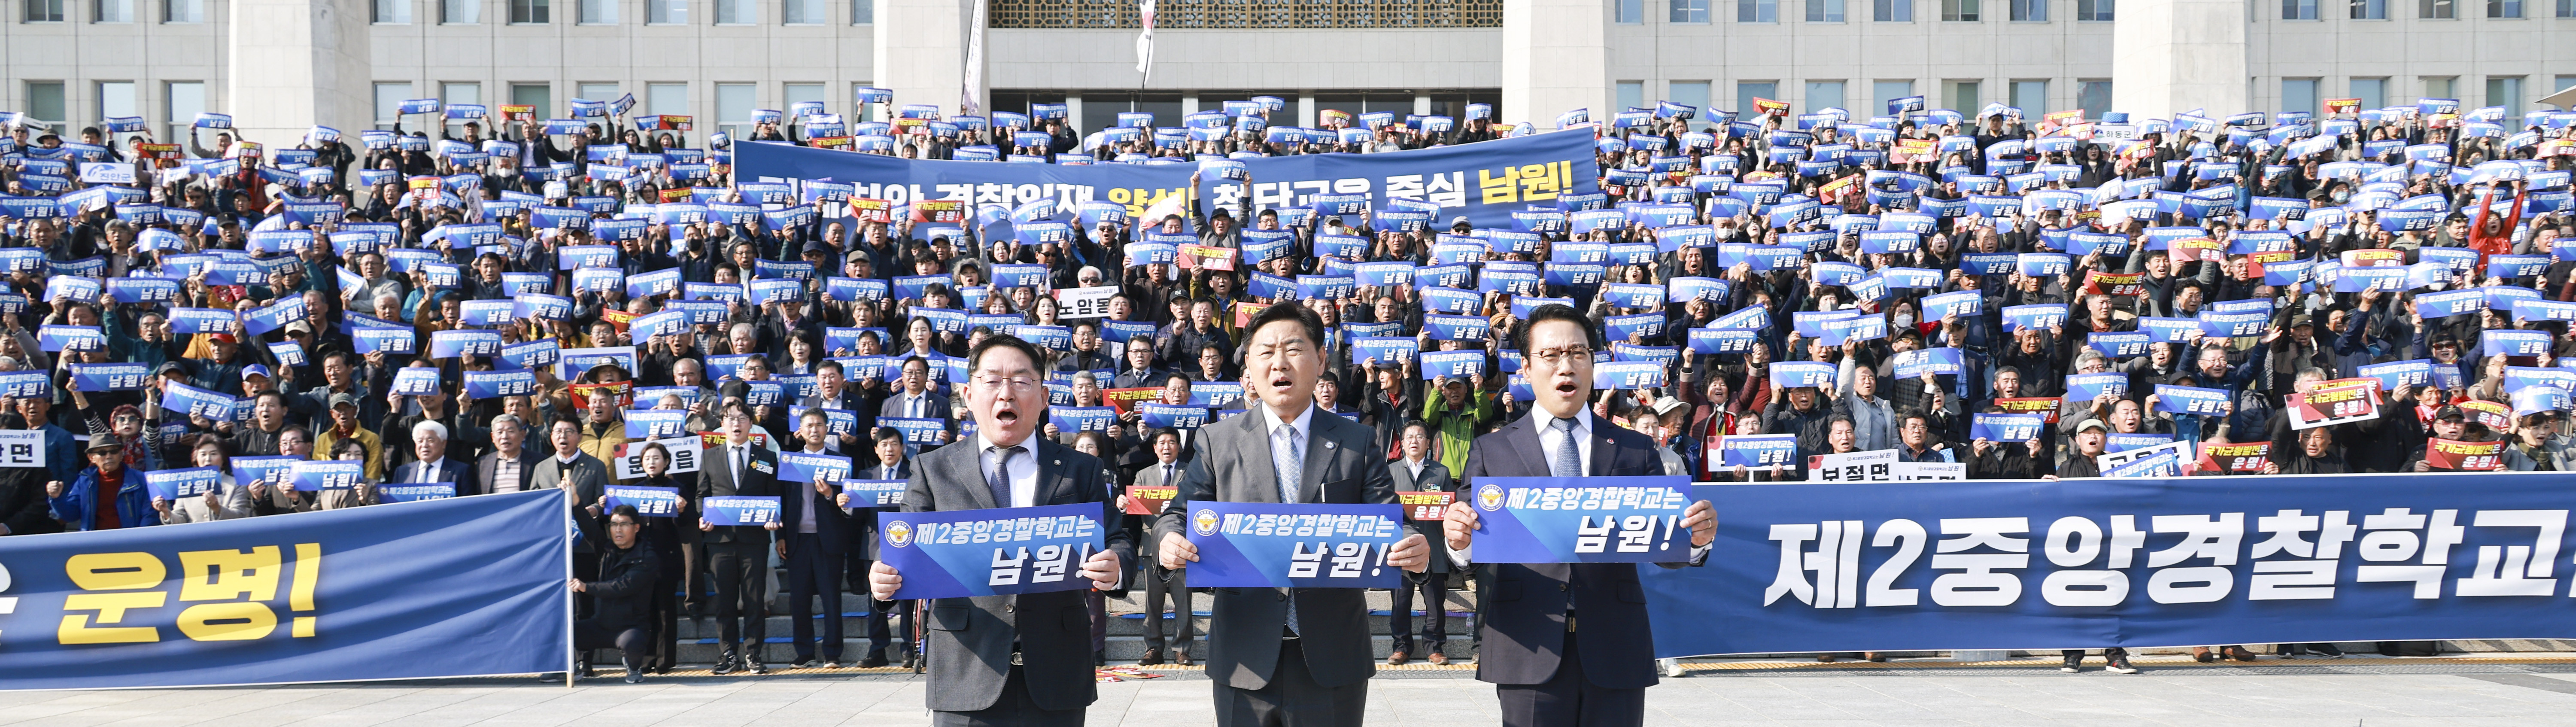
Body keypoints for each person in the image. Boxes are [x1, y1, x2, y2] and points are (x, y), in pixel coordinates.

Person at [1438, 304, 1718, 727]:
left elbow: (1666, 548)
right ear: (1527, 369)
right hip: (1527, 644)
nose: (1565, 365)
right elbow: (1473, 548)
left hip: (1616, 643)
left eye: (1578, 353)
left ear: (1593, 363)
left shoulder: (1635, 449)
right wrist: (1457, 541)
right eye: (1550, 355)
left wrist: (1696, 540)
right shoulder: (1491, 451)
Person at [1154, 304, 1430, 727]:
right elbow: (1176, 514)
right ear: (1248, 365)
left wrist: (1412, 546)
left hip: (1333, 655)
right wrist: (1168, 540)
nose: (1279, 362)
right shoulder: (1217, 441)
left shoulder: (1357, 441)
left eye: (1293, 349)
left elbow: (1388, 516)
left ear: (1321, 360)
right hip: (1243, 656)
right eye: (1265, 352)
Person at [866, 335, 1133, 726]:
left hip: (1057, 670)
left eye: (1022, 381)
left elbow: (1117, 539)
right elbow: (904, 549)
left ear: (1044, 397)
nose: (1006, 393)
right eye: (992, 381)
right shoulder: (932, 469)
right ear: (968, 394)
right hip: (965, 668)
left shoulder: (1080, 469)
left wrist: (1118, 566)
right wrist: (883, 577)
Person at [699, 402, 782, 675]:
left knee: (754, 599)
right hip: (720, 540)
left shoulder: (767, 457)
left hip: (754, 539)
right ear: (722, 424)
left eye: (742, 419)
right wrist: (703, 516)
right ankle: (728, 654)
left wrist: (774, 519)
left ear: (751, 424)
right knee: (724, 600)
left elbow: (774, 496)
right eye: (730, 419)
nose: (736, 424)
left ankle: (754, 653)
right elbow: (702, 494)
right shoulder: (710, 457)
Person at [782, 408, 852, 668]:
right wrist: (781, 537)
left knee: (831, 597)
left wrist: (829, 494)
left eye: (820, 425)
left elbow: (849, 504)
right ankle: (804, 652)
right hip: (797, 539)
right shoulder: (790, 462)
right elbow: (783, 502)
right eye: (809, 425)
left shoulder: (840, 461)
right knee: (799, 599)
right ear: (800, 431)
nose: (815, 429)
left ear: (827, 428)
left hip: (828, 539)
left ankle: (833, 652)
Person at [1387, 420, 1455, 666]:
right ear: (1402, 444)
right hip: (1401, 550)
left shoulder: (1441, 472)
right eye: (1409, 437)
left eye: (1419, 437)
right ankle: (1401, 647)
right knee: (1400, 603)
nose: (1414, 441)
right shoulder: (1391, 472)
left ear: (1428, 443)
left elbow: (1449, 511)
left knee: (1436, 605)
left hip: (1434, 548)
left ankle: (1435, 648)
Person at [574, 504, 662, 684]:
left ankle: (634, 667)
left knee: (633, 643)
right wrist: (576, 501)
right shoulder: (607, 550)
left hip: (630, 628)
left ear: (637, 528)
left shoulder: (648, 557)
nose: (618, 530)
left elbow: (621, 587)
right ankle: (568, 667)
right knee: (565, 633)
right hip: (601, 625)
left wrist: (586, 587)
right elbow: (588, 528)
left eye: (624, 524)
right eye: (614, 525)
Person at [1132, 427, 1194, 667]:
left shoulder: (1190, 472)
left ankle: (1182, 649)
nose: (1167, 447)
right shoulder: (1142, 475)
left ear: (1179, 446)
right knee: (1152, 603)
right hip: (1151, 548)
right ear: (1155, 447)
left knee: (1184, 603)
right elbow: (1138, 513)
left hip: (1182, 547)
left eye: (1172, 442)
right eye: (1162, 443)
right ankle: (1154, 648)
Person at [45, 431, 157, 531]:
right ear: (91, 458)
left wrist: (138, 540)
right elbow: (71, 516)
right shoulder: (84, 480)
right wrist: (56, 498)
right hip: (95, 544)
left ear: (121, 454)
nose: (109, 456)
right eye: (102, 453)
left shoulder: (141, 479)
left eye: (114, 451)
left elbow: (149, 515)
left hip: (133, 543)